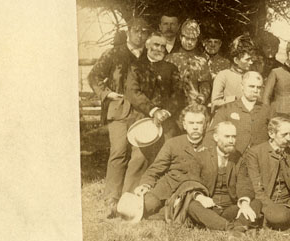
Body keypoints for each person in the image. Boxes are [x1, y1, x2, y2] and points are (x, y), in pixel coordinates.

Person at [88, 15, 150, 216]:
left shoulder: (150, 54)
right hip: (119, 110)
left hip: (142, 112)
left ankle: (129, 197)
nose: (140, 36)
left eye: (144, 32)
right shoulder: (114, 53)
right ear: (128, 32)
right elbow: (94, 76)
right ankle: (111, 199)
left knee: (140, 154)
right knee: (119, 151)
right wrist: (107, 94)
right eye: (136, 31)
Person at [123, 34, 185, 192]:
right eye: (156, 45)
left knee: (170, 156)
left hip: (167, 120)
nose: (159, 49)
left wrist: (166, 111)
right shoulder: (136, 67)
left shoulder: (171, 68)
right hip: (143, 119)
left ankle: (165, 196)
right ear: (147, 46)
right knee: (139, 159)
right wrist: (154, 110)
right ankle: (129, 198)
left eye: (163, 46)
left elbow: (178, 93)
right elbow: (133, 92)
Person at [132, 104, 210, 217]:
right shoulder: (172, 143)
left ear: (206, 124)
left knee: (193, 210)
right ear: (184, 125)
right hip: (167, 188)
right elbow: (155, 169)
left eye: (199, 123)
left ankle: (169, 211)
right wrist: (145, 185)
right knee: (147, 205)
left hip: (192, 192)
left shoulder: (211, 146)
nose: (195, 127)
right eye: (191, 123)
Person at [184, 120, 245, 231]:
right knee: (191, 205)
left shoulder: (239, 158)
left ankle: (217, 223)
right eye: (227, 136)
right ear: (216, 137)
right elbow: (191, 182)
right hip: (209, 206)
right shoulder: (201, 156)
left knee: (255, 203)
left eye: (234, 137)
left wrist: (244, 203)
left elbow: (244, 184)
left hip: (230, 207)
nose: (231, 141)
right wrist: (200, 197)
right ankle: (231, 227)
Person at [261, 39, 290, 154]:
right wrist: (269, 119)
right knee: (278, 150)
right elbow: (266, 97)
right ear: (288, 54)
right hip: (278, 118)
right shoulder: (276, 72)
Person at [210, 70, 269, 154]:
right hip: (233, 158)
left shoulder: (267, 110)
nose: (255, 90)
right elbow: (211, 135)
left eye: (259, 87)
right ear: (242, 86)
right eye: (251, 86)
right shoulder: (227, 109)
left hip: (259, 158)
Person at [166, 18, 212, 106]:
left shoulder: (201, 61)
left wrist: (203, 96)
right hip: (173, 104)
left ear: (197, 40)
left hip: (194, 103)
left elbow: (205, 82)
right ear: (180, 37)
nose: (190, 42)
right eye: (187, 38)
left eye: (193, 39)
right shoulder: (170, 58)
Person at [211, 46, 255, 110]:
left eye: (251, 59)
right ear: (236, 60)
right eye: (247, 59)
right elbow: (215, 103)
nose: (251, 62)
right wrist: (235, 99)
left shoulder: (252, 76)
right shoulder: (223, 75)